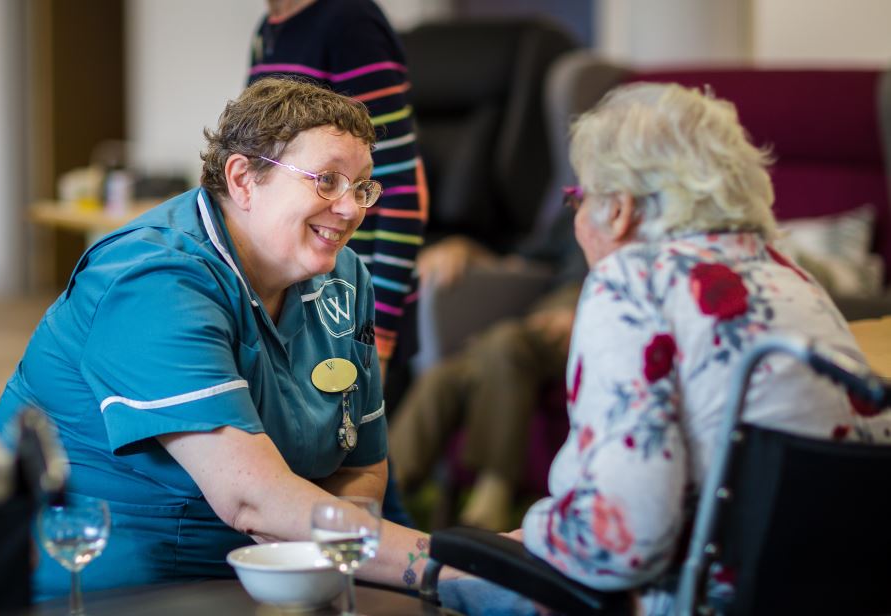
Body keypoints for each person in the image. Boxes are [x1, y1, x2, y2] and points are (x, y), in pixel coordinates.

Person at [438, 82, 891, 614]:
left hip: (702, 598)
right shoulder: (791, 278)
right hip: (835, 593)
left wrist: (535, 529)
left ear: (620, 210)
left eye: (578, 198)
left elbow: (621, 546)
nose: (578, 217)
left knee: (447, 580)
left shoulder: (633, 281)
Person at [0, 78, 443, 599]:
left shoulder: (346, 279)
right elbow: (250, 500)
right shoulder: (152, 280)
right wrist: (442, 569)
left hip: (274, 571)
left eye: (362, 186)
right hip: (114, 583)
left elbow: (362, 469)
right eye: (326, 181)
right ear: (244, 178)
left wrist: (319, 572)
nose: (350, 209)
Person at [248, 0, 426, 527]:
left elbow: (401, 190)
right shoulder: (269, 29)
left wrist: (381, 333)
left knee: (362, 480)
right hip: (294, 293)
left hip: (351, 304)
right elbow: (261, 156)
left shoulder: (350, 22)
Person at [388, 204, 588, 531]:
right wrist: (467, 250)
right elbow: (525, 258)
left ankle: (493, 495)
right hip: (544, 312)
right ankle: (383, 490)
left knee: (505, 343)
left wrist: (588, 302)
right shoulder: (578, 206)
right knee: (444, 378)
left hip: (592, 315)